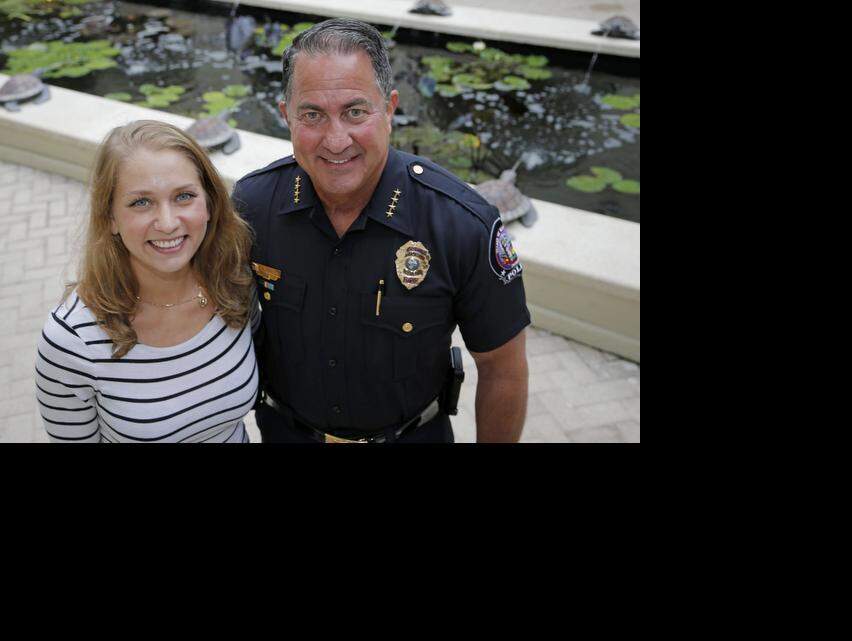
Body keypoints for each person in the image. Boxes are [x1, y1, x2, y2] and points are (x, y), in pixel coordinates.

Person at [233, 18, 529, 443]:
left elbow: (504, 369)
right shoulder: (253, 206)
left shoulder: (460, 225)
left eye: (355, 111)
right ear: (286, 116)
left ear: (389, 108)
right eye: (312, 114)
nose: (336, 140)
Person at [35, 120, 258, 443]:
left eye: (183, 196)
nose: (167, 223)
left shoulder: (234, 283)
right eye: (141, 202)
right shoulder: (71, 341)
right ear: (110, 217)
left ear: (209, 204)